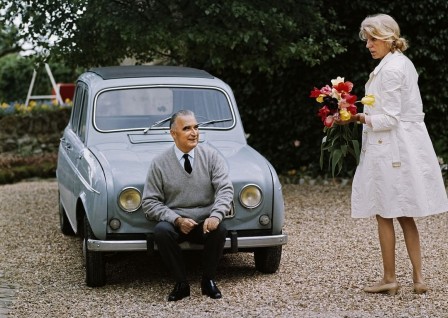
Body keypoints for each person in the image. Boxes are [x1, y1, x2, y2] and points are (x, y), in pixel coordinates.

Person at [338, 14, 448, 295]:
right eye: (367, 39)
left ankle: (390, 279)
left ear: (387, 38)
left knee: (385, 212)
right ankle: (418, 279)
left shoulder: (390, 70)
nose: (368, 45)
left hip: (391, 151)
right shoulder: (402, 63)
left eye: (373, 39)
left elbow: (390, 119)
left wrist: (356, 118)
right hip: (402, 147)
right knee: (404, 213)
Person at [142, 109, 234, 301]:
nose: (194, 133)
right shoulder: (159, 163)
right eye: (187, 128)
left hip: (204, 223)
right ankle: (181, 283)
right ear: (173, 134)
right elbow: (149, 202)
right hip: (176, 222)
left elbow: (225, 189)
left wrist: (216, 216)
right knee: (161, 231)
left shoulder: (211, 157)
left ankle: (208, 281)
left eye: (196, 127)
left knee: (221, 229)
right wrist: (176, 220)